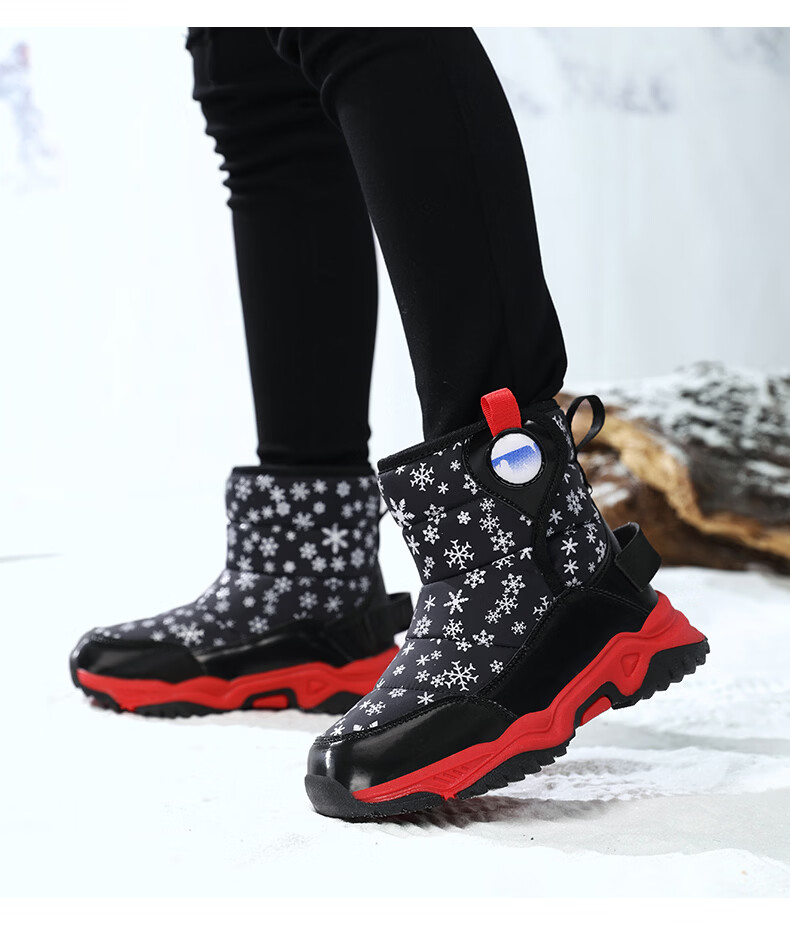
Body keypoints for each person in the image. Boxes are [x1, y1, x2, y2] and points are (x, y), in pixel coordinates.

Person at [69, 29, 709, 818]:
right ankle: (308, 572)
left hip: (527, 542)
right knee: (253, 76)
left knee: (364, 22)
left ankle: (531, 556)